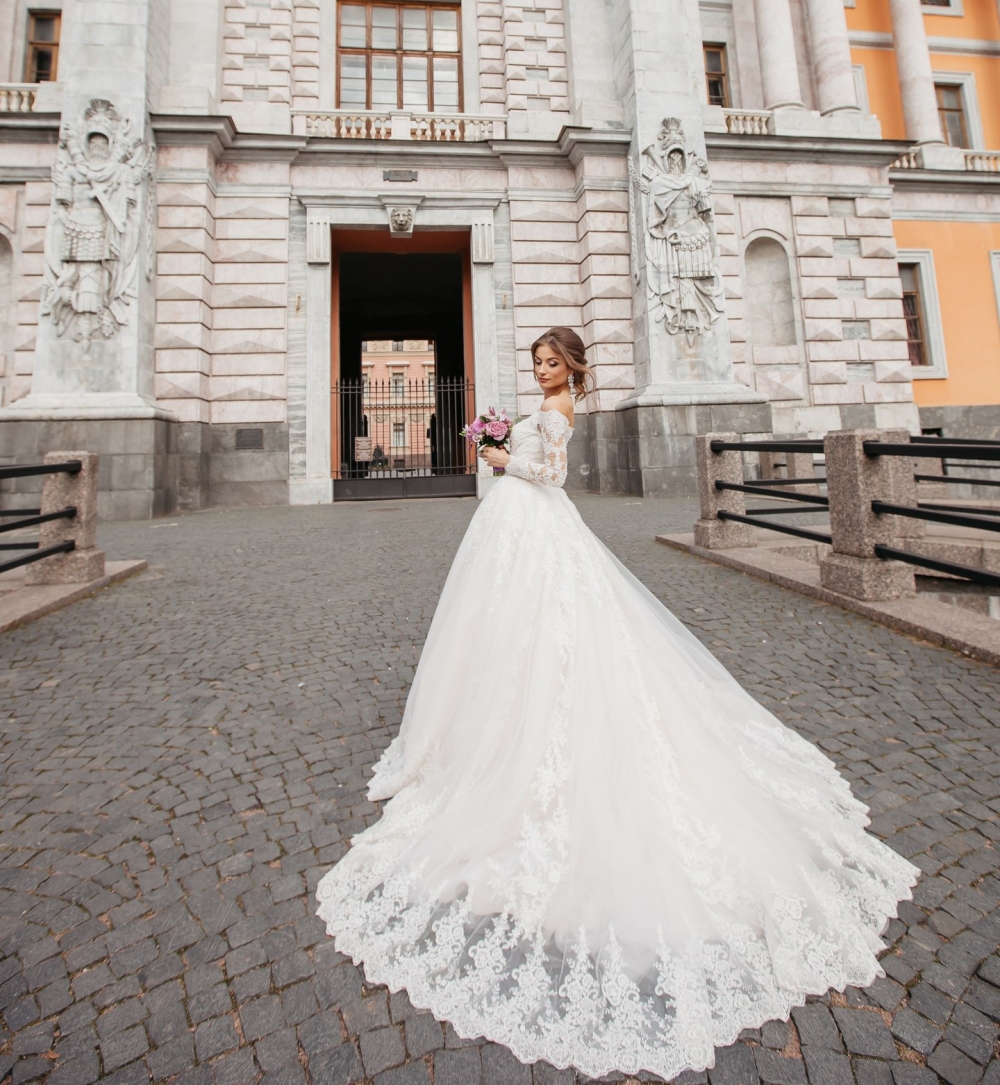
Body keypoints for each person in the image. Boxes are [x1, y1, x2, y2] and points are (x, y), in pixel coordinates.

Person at [316, 327, 918, 1080]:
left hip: (534, 518)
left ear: (571, 367)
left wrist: (505, 457)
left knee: (548, 632)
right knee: (511, 631)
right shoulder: (549, 402)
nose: (541, 371)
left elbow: (552, 476)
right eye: (535, 362)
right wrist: (501, 446)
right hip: (516, 528)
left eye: (550, 362)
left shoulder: (563, 409)